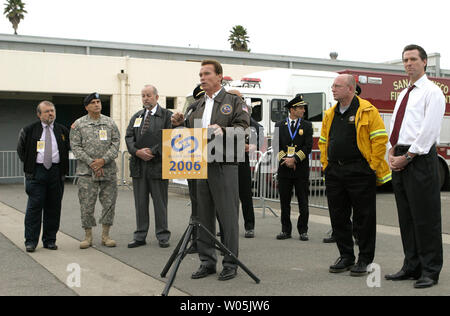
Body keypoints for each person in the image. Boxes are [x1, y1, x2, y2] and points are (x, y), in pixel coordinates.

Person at [171, 59, 249, 281]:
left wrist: (223, 129)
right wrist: (178, 123)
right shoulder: (196, 105)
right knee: (203, 217)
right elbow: (187, 134)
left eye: (206, 74)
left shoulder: (233, 101)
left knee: (227, 217)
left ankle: (231, 262)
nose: (202, 78)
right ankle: (207, 262)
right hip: (200, 165)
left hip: (223, 165)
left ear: (219, 76)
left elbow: (244, 129)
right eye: (200, 74)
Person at [384, 45, 445, 289]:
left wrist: (407, 156)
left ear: (424, 62)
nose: (408, 64)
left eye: (412, 59)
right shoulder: (404, 93)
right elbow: (398, 126)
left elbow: (428, 131)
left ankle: (430, 271)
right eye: (405, 60)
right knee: (407, 217)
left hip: (418, 159)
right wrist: (391, 149)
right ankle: (411, 266)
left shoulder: (433, 93)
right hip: (400, 155)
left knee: (426, 218)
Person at [319, 74, 391, 276]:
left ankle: (365, 259)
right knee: (338, 217)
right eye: (332, 85)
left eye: (337, 86)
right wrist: (326, 165)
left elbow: (379, 140)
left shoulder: (367, 110)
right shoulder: (330, 114)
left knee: (364, 218)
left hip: (360, 171)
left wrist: (372, 166)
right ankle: (346, 256)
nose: (333, 89)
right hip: (335, 172)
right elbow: (324, 141)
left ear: (350, 89)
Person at [17, 101, 70, 253]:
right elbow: (21, 149)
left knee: (53, 208)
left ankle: (50, 240)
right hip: (37, 173)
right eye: (46, 111)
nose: (50, 114)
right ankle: (31, 241)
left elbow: (66, 148)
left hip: (56, 172)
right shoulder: (29, 130)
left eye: (52, 111)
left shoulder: (62, 130)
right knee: (34, 208)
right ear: (39, 114)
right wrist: (30, 165)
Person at [70, 93, 120, 249]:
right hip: (86, 172)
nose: (97, 104)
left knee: (109, 204)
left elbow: (115, 144)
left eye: (98, 102)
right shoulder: (78, 125)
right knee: (86, 204)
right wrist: (92, 163)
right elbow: (75, 147)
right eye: (93, 102)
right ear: (87, 107)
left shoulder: (110, 123)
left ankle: (106, 236)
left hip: (108, 171)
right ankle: (88, 236)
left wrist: (103, 161)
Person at [125, 85, 173, 249]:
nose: (145, 98)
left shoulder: (167, 116)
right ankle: (140, 235)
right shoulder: (137, 116)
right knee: (140, 202)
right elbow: (129, 136)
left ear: (156, 97)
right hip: (139, 165)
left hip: (157, 165)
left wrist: (152, 151)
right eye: (143, 95)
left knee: (160, 202)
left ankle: (163, 235)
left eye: (148, 95)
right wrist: (137, 151)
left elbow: (169, 137)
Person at [274, 95, 313, 241]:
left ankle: (303, 230)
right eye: (300, 108)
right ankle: (285, 230)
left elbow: (308, 146)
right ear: (292, 109)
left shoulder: (307, 126)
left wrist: (295, 159)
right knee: (285, 202)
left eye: (303, 108)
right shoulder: (279, 125)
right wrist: (286, 159)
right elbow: (276, 145)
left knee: (303, 201)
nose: (303, 110)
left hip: (300, 169)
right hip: (284, 169)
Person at [228, 89, 264, 239]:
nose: (239, 100)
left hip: (242, 161)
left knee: (245, 195)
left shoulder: (247, 117)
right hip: (226, 160)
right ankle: (228, 226)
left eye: (240, 98)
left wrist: (253, 146)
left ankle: (249, 226)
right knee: (228, 197)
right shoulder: (225, 116)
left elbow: (259, 132)